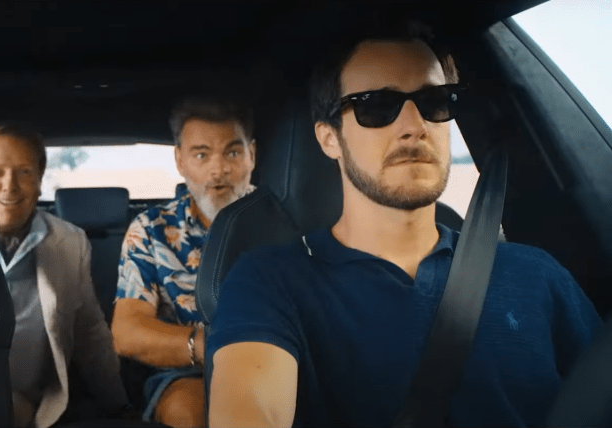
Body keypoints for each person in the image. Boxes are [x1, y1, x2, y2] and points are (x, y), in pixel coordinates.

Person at [207, 21, 602, 427]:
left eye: (435, 102)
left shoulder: (537, 275)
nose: (415, 127)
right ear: (329, 139)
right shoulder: (270, 283)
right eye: (377, 106)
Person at [0, 122, 128, 427]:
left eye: (24, 172)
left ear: (40, 181)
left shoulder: (70, 241)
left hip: (28, 404)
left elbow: (88, 332)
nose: (9, 186)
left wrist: (118, 404)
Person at [111, 97, 257, 427]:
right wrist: (209, 346)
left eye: (233, 153)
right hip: (188, 370)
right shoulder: (151, 229)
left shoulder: (285, 223)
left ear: (252, 155)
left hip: (277, 359)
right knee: (188, 410)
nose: (219, 170)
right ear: (180, 161)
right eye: (201, 155)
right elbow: (127, 331)